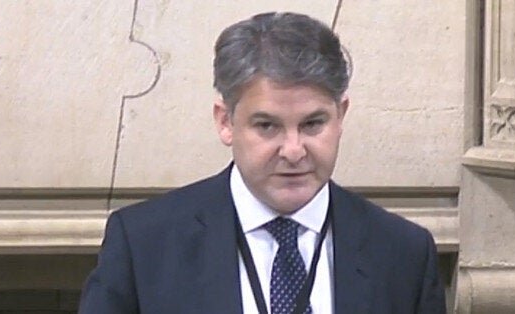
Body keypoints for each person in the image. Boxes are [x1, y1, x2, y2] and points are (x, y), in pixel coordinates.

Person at [79, 12, 446, 314]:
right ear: (225, 121)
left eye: (312, 124)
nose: (293, 150)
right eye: (267, 126)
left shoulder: (404, 253)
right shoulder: (144, 245)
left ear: (341, 115)